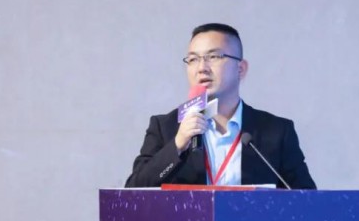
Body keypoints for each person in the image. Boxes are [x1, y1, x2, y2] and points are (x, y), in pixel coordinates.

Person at [124, 23, 316, 189]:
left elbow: (307, 200)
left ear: (240, 69)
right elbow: (133, 192)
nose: (202, 68)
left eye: (213, 57)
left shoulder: (276, 131)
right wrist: (178, 145)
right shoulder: (165, 128)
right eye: (193, 59)